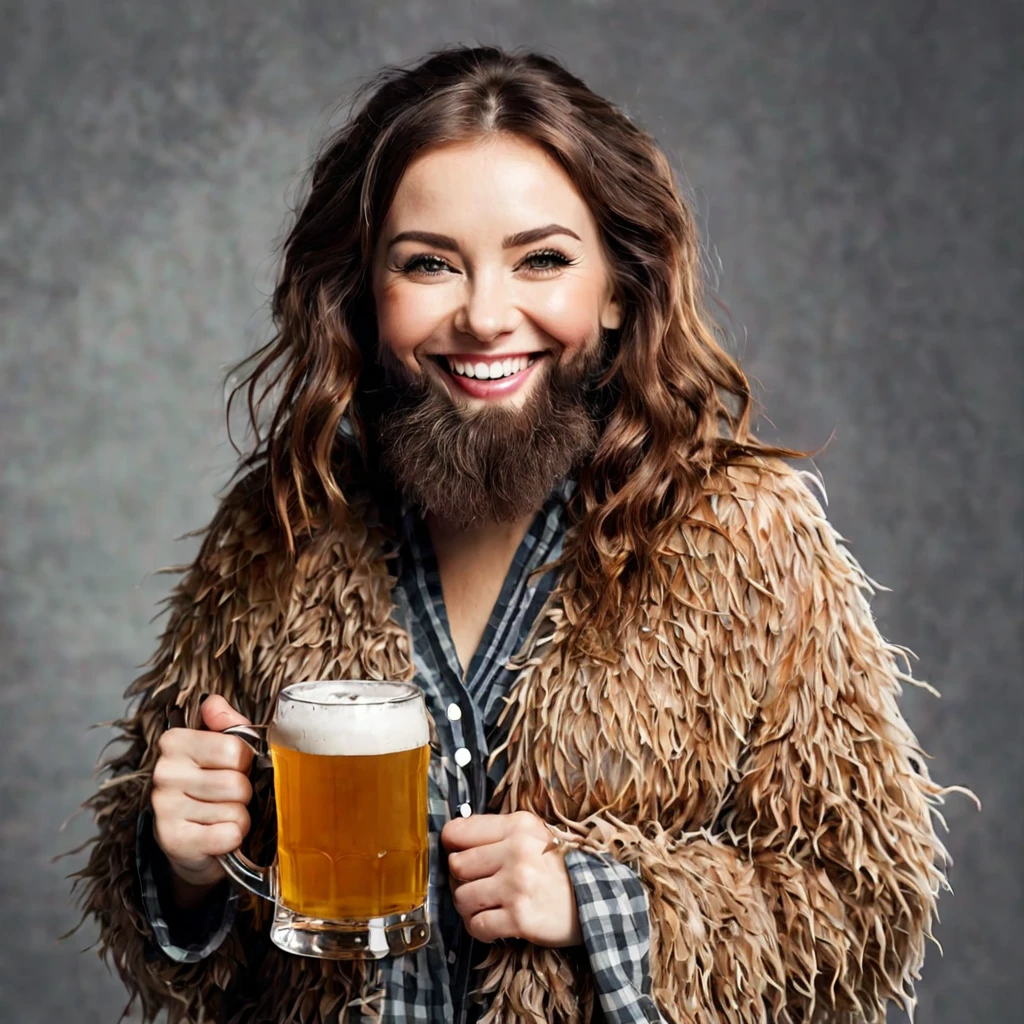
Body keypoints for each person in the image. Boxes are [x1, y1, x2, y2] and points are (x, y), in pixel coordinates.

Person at [69, 45, 969, 1024]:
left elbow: (869, 903)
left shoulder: (744, 539)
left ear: (620, 288)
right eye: (428, 264)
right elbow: (166, 918)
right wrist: (181, 866)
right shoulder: (275, 530)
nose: (486, 316)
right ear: (365, 292)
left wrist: (602, 900)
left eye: (541, 258)